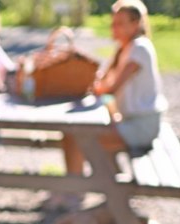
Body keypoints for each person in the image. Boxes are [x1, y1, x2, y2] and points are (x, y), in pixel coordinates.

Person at [50, 0, 167, 211]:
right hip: (129, 121)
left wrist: (91, 90)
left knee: (78, 136)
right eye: (113, 23)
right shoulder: (124, 48)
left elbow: (110, 89)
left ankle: (75, 192)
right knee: (72, 133)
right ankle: (74, 188)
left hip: (141, 127)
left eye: (120, 23)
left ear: (136, 23)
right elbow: (101, 86)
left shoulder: (139, 48)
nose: (114, 28)